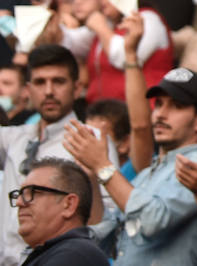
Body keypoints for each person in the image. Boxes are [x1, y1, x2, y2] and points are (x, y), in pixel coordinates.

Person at [65, 58, 197, 266]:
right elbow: (106, 240)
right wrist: (92, 175)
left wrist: (103, 166)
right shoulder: (146, 174)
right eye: (159, 104)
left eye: (177, 106)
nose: (161, 114)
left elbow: (152, 221)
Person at [1, 45, 117, 266]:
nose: (49, 91)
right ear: (27, 89)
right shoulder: (14, 137)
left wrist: (92, 178)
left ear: (77, 88)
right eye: (39, 82)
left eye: (58, 81)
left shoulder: (90, 139)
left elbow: (102, 231)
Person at [84, 0, 174, 104]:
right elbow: (73, 42)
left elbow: (123, 58)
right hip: (104, 113)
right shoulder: (109, 24)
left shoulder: (148, 19)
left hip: (144, 111)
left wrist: (102, 29)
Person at [9, 158, 107, 266]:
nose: (19, 202)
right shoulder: (55, 253)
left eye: (34, 192)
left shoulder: (74, 255)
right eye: (20, 194)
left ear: (69, 204)